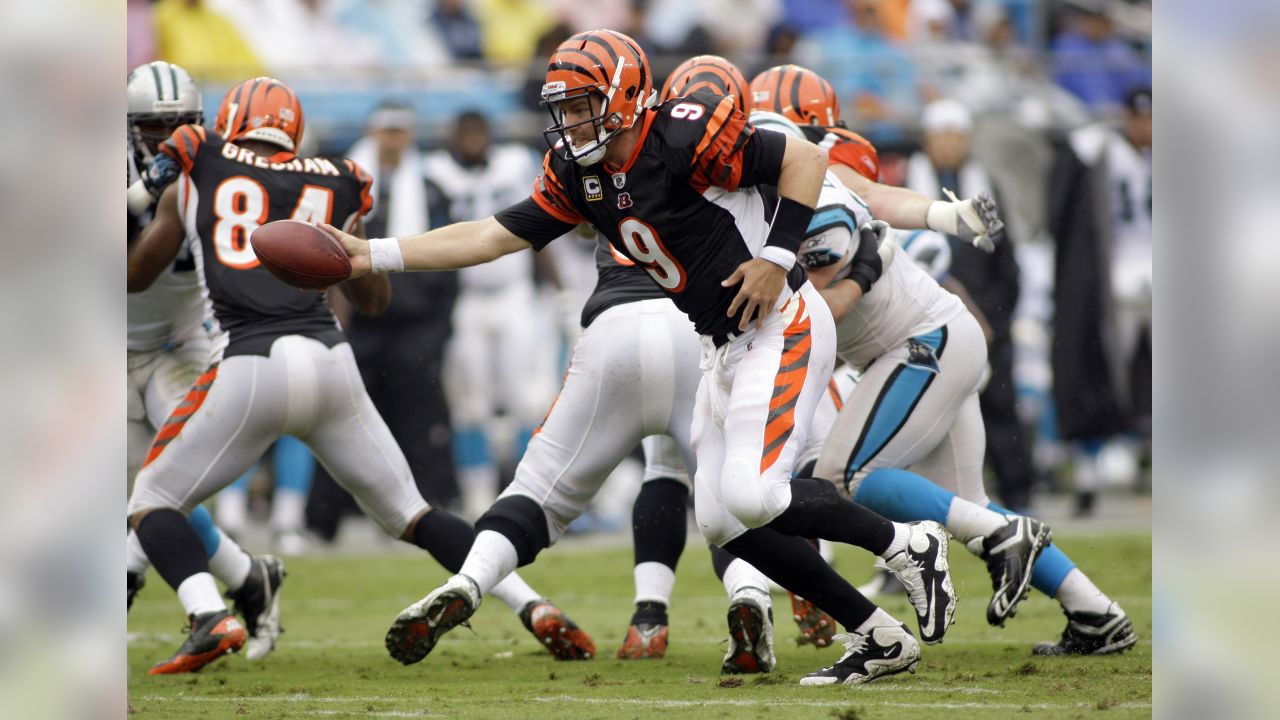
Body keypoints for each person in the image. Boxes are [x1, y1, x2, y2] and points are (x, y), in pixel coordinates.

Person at [319, 30, 958, 686]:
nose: (569, 123)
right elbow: (488, 237)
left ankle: (907, 543)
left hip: (781, 322)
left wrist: (775, 257)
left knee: (749, 495)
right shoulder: (579, 173)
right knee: (722, 522)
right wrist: (374, 254)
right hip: (720, 343)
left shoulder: (682, 135)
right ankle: (878, 635)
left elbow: (805, 162)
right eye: (561, 108)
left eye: (581, 106)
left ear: (625, 97)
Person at [125, 76, 594, 674]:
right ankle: (532, 604)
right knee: (413, 514)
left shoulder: (199, 160)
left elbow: (138, 276)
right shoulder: (335, 177)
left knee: (152, 500)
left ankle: (208, 613)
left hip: (249, 361)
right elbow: (372, 297)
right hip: (330, 359)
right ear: (294, 129)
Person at [125, 60, 284, 662]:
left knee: (162, 488)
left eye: (180, 124)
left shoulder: (219, 164)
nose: (167, 137)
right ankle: (247, 578)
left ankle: (207, 609)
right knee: (139, 491)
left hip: (185, 343)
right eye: (152, 126)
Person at [424, 110, 559, 519]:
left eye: (478, 132)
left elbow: (542, 225)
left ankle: (524, 490)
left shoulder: (515, 163)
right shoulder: (436, 173)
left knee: (526, 397)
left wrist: (553, 287)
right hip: (467, 298)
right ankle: (478, 495)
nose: (472, 141)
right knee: (469, 403)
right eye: (465, 133)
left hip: (514, 292)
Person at [904, 99, 1034, 512]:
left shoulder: (984, 184)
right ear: (927, 139)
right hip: (921, 316)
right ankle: (919, 500)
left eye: (955, 136)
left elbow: (1006, 260)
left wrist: (992, 314)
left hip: (985, 317)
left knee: (998, 405)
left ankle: (1017, 491)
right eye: (940, 135)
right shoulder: (907, 183)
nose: (947, 145)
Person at [1049, 86, 1152, 517]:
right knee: (1101, 364)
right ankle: (1095, 464)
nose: (1145, 127)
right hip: (1115, 273)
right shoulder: (1097, 149)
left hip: (1152, 265)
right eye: (1139, 117)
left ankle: (1145, 453)